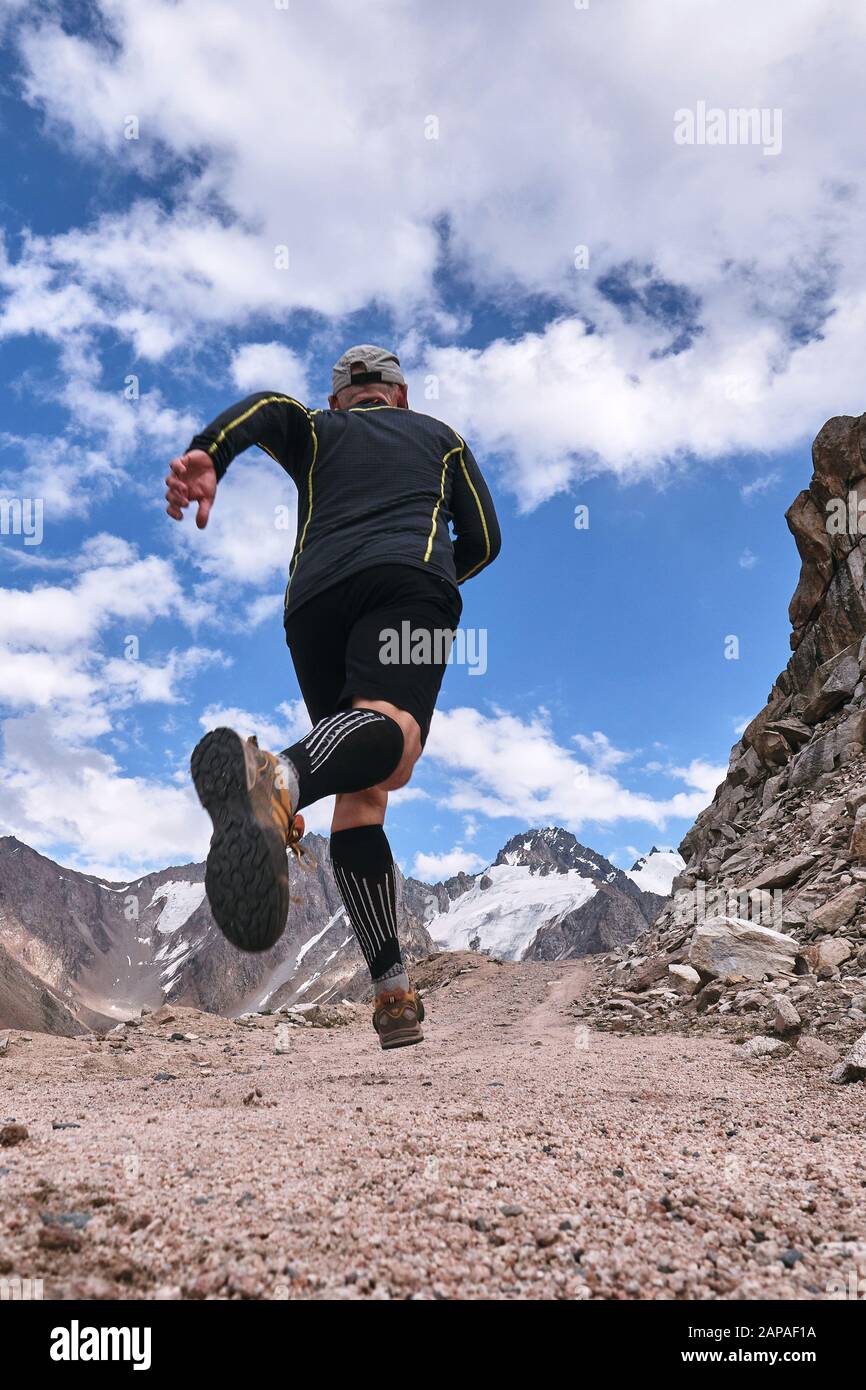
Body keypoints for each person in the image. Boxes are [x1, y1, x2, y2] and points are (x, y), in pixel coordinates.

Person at [165, 344, 501, 1048]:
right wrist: (435, 572)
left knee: (361, 779)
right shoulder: (441, 437)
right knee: (395, 740)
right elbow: (487, 540)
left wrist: (209, 455)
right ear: (401, 395)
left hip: (312, 606)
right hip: (407, 586)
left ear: (341, 397)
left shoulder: (316, 430)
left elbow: (267, 408)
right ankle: (277, 778)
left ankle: (394, 995)